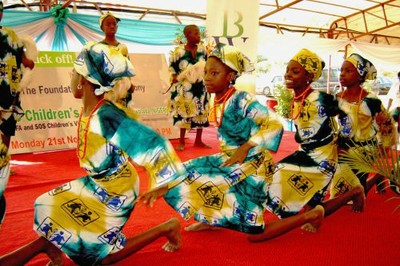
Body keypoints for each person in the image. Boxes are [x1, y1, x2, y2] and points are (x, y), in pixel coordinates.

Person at [0, 42, 187, 265]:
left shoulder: (106, 115)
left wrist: (162, 183)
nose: (71, 77)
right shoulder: (92, 109)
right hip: (96, 183)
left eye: (73, 73)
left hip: (118, 190)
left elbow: (153, 144)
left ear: (83, 81)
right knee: (50, 205)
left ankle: (167, 227)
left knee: (100, 259)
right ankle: (51, 246)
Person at [154, 44, 333, 241]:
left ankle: (311, 214)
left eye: (214, 73)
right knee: (186, 172)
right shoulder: (219, 98)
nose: (207, 77)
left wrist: (245, 148)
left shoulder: (242, 99)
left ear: (230, 76)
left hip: (253, 166)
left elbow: (274, 125)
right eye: (206, 72)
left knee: (255, 235)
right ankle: (211, 219)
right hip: (233, 159)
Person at [329, 53, 396, 198]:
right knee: (341, 193)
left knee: (355, 194)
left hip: (365, 149)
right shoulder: (337, 98)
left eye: (348, 71)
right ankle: (377, 177)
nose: (342, 75)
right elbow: (328, 122)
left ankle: (377, 177)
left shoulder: (371, 100)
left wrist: (384, 146)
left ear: (360, 76)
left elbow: (387, 123)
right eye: (341, 71)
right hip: (343, 147)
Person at [0, 0, 35, 228]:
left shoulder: (12, 35)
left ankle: (3, 167)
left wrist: (28, 62)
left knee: (6, 130)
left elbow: (24, 59)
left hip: (8, 91)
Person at [167, 24, 211, 151]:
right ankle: (181, 141)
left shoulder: (203, 50)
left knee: (201, 111)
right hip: (185, 89)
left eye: (199, 33)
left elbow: (208, 66)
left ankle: (198, 140)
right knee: (184, 112)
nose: (199, 36)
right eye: (196, 33)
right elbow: (172, 69)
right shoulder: (178, 52)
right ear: (187, 36)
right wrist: (176, 77)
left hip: (201, 87)